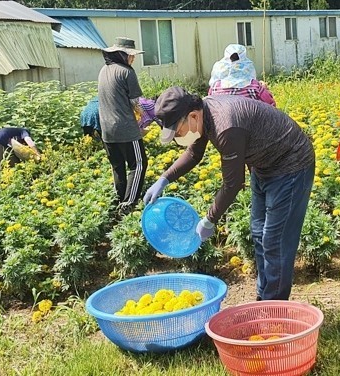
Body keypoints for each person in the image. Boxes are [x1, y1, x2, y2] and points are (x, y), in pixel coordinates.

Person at [143, 87, 315, 301]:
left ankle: (274, 309)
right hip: (264, 165)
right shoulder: (203, 114)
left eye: (177, 131)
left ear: (193, 116)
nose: (179, 137)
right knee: (259, 233)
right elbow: (194, 153)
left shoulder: (226, 126)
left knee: (275, 240)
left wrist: (209, 219)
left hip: (290, 165)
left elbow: (233, 184)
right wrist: (164, 178)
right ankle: (264, 300)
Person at [98, 37, 149, 212]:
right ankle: (129, 204)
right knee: (139, 164)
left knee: (118, 166)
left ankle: (118, 200)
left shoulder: (104, 70)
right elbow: (135, 102)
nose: (133, 59)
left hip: (106, 129)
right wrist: (146, 116)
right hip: (125, 128)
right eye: (131, 55)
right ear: (121, 54)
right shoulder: (127, 72)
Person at [208, 44, 276, 107]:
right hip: (250, 119)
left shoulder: (215, 87)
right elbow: (271, 105)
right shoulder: (254, 86)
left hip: (221, 119)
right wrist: (264, 89)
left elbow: (210, 106)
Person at [80, 96, 162, 139]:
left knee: (91, 138)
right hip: (100, 111)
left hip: (86, 112)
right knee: (106, 138)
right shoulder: (150, 105)